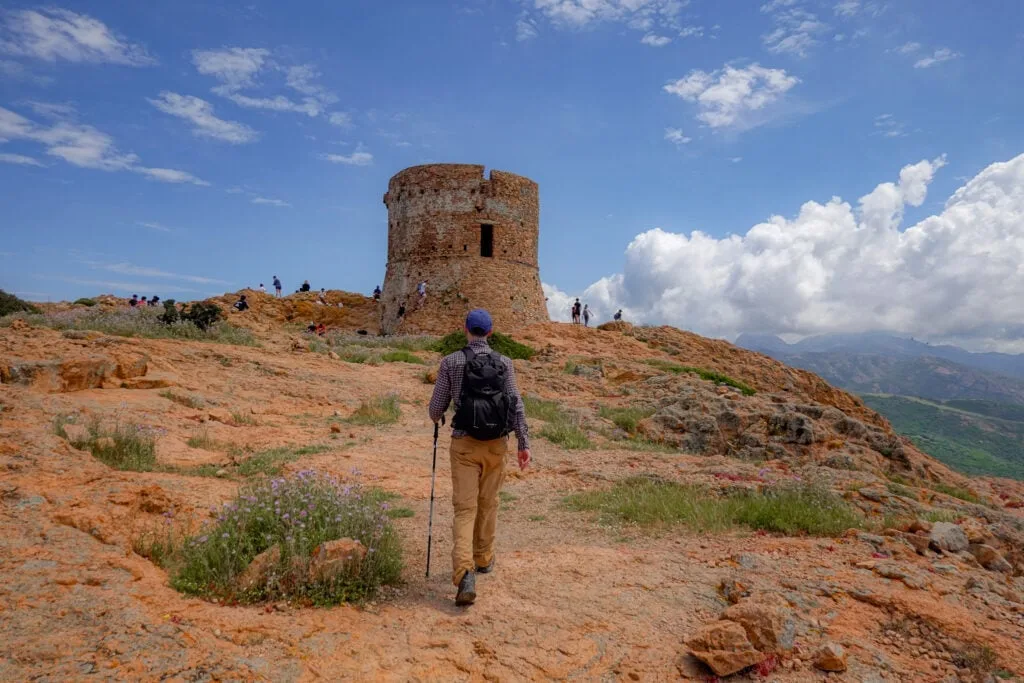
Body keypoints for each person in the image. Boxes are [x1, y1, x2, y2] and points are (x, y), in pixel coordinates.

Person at [428, 309, 531, 606]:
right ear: (490, 331)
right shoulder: (505, 363)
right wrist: (524, 443)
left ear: (465, 329)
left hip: (464, 446)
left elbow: (436, 409)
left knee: (465, 510)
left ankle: (464, 574)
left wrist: (438, 417)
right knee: (489, 503)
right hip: (497, 445)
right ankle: (483, 557)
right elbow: (516, 405)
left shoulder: (451, 361)